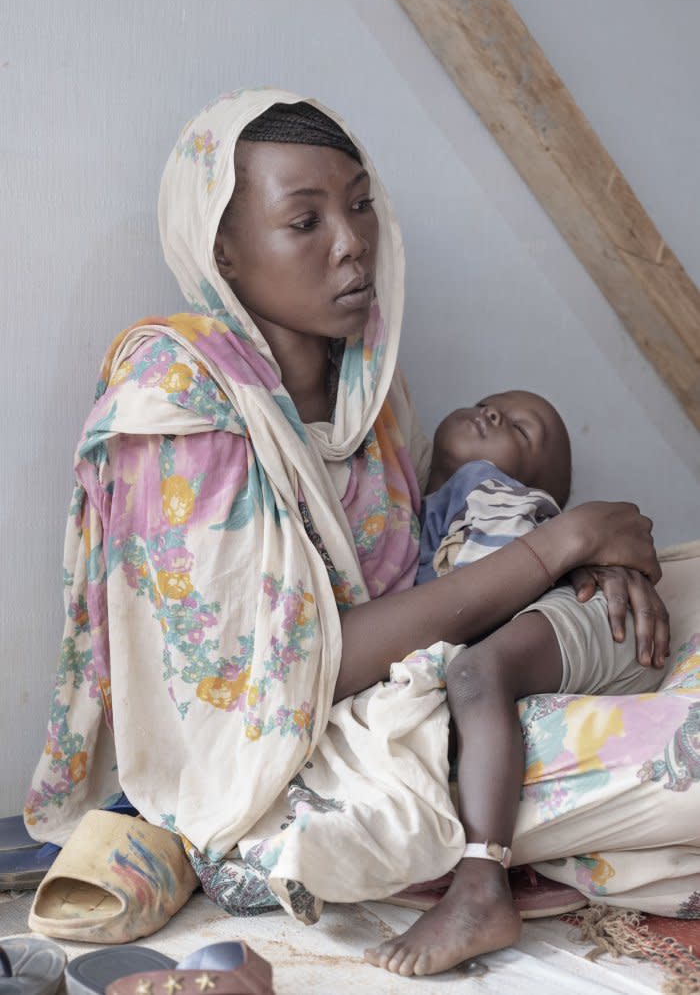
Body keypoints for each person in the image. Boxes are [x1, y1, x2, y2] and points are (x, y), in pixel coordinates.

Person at [26, 91, 698, 978]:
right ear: (221, 250)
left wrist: (578, 582)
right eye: (305, 220)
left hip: (425, 690)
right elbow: (276, 689)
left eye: (360, 204)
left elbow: (433, 563)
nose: (352, 242)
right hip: (302, 775)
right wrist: (557, 548)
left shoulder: (366, 393)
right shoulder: (176, 408)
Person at [377, 389, 667, 974]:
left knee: (474, 673)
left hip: (596, 613)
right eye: (489, 404)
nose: (490, 413)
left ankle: (482, 885)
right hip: (567, 625)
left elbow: (506, 567)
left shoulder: (488, 488)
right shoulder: (424, 505)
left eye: (521, 428)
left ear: (545, 488)